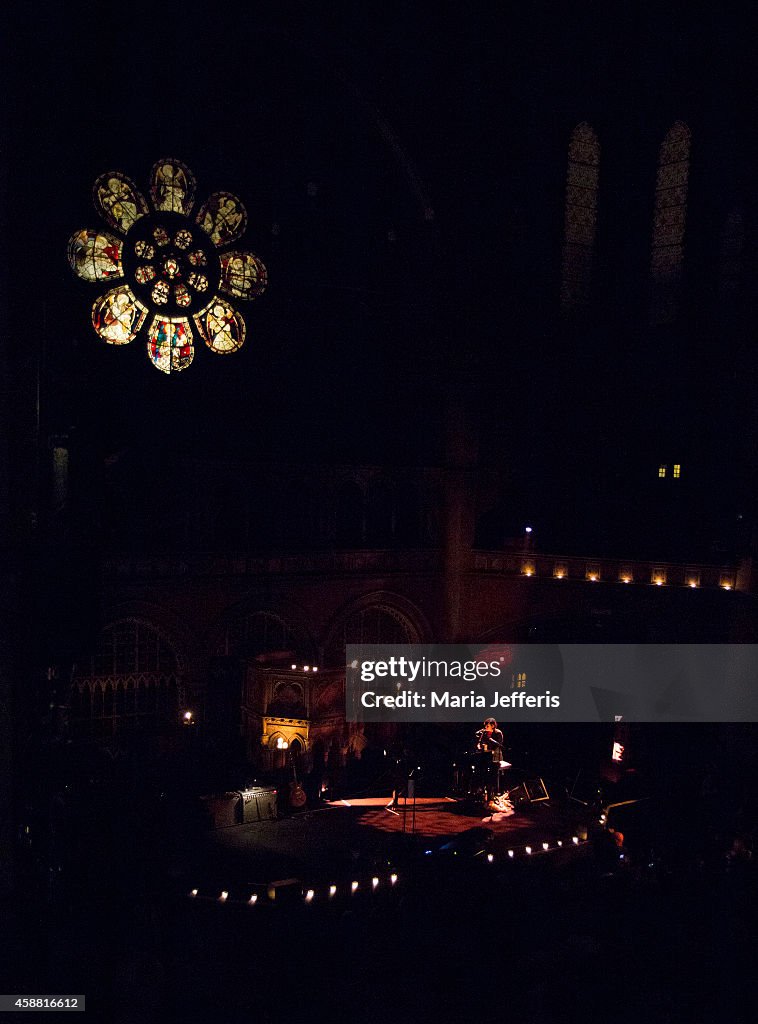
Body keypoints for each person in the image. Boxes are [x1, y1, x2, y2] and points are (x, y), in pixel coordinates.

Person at [475, 718, 505, 802]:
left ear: (493, 725)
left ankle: (494, 792)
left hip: (496, 755)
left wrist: (490, 739)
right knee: (482, 771)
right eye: (485, 726)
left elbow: (499, 744)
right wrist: (480, 746)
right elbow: (480, 741)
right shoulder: (484, 733)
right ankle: (482, 791)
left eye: (487, 725)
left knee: (493, 774)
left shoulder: (498, 732)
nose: (485, 727)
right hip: (486, 755)